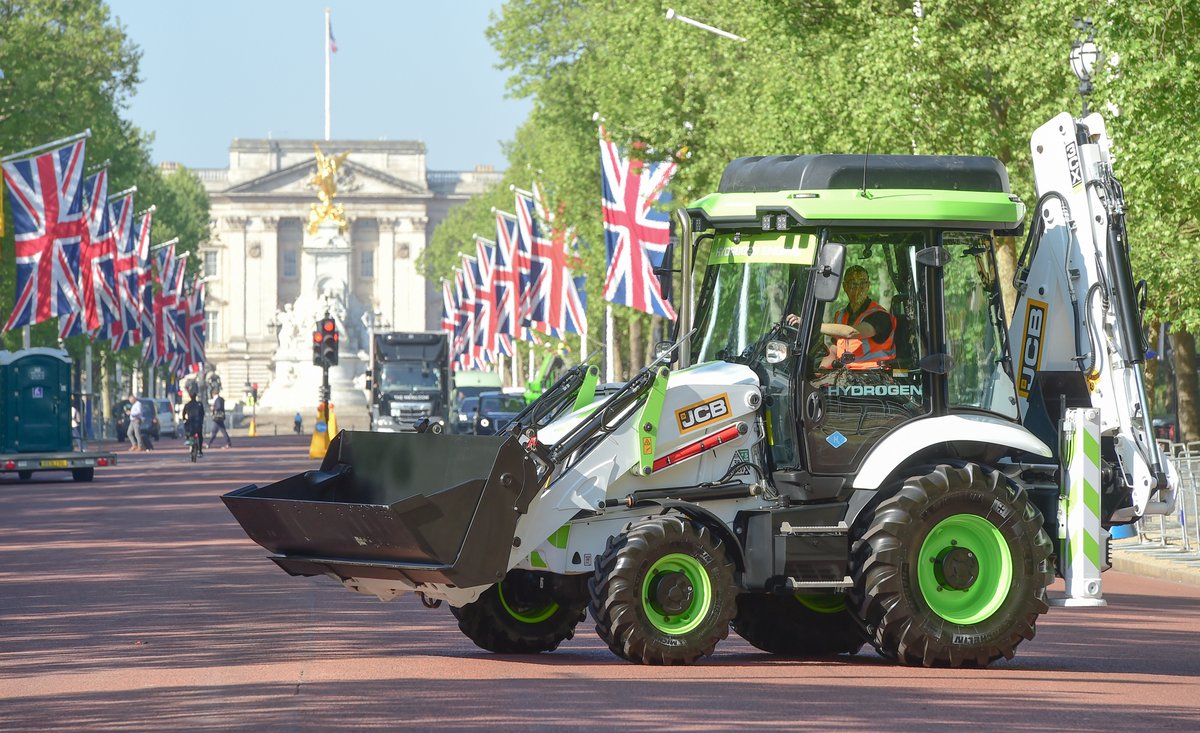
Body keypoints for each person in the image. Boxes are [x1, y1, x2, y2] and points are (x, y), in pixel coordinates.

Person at [791, 265, 896, 370]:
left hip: (876, 377)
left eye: (862, 283)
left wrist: (807, 324)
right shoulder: (840, 315)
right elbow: (836, 349)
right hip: (848, 375)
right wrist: (821, 369)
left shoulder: (880, 316)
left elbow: (851, 332)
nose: (858, 288)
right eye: (852, 284)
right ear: (845, 287)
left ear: (868, 286)